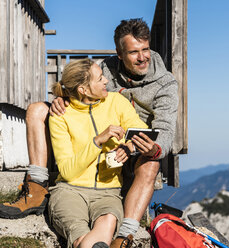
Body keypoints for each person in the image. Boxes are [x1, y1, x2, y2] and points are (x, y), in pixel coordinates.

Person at [0, 18, 178, 248]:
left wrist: (144, 147)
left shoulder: (165, 83)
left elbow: (164, 130)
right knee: (36, 110)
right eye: (134, 52)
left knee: (152, 162)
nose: (142, 57)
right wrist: (62, 99)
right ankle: (36, 186)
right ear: (119, 53)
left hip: (136, 143)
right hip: (98, 140)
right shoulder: (105, 69)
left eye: (145, 49)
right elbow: (81, 87)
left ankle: (125, 235)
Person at [48, 58, 154, 248]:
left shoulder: (116, 101)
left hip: (109, 192)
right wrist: (97, 141)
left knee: (108, 220)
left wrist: (128, 147)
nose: (106, 81)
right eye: (100, 78)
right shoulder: (61, 115)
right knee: (79, 234)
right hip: (70, 190)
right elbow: (67, 171)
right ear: (83, 89)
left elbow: (142, 132)